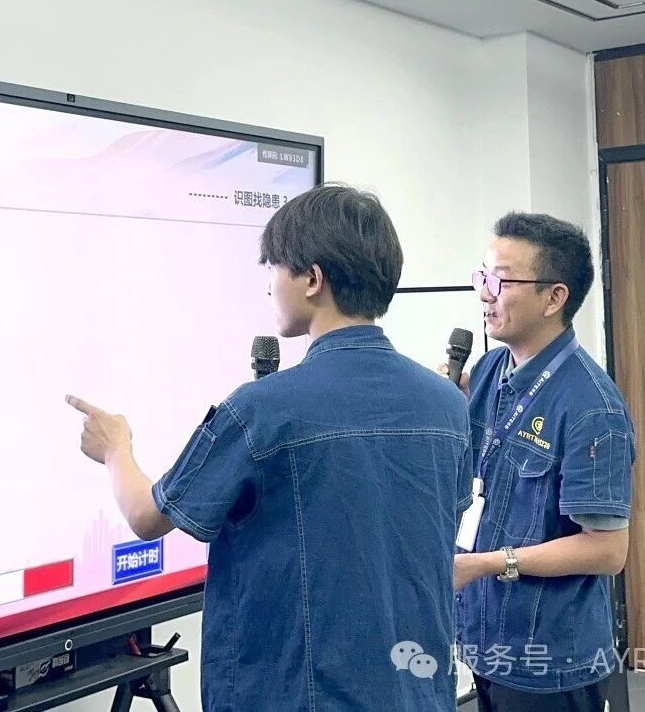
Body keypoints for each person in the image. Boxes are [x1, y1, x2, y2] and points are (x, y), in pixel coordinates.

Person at [67, 184, 471, 711]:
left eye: (274, 268)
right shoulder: (447, 403)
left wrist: (115, 449)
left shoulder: (263, 409)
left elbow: (148, 517)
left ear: (312, 279)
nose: (268, 286)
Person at [442, 212, 635, 712]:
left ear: (554, 298)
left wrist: (488, 564)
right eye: (482, 277)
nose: (484, 294)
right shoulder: (489, 369)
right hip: (486, 638)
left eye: (501, 281)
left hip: (551, 660)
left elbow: (607, 550)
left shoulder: (592, 406)